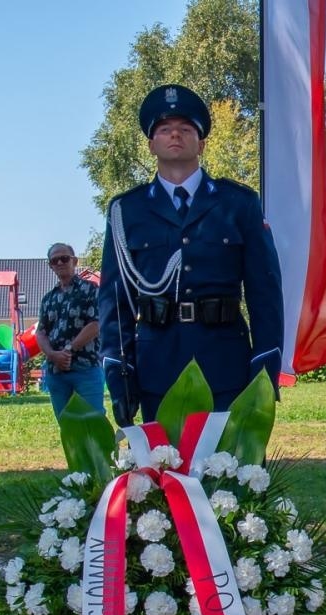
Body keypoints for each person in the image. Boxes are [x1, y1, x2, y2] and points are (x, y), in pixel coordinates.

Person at [97, 84, 283, 425]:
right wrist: (119, 372)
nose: (175, 136)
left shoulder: (238, 204)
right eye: (165, 130)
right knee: (163, 473)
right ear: (152, 143)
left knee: (230, 472)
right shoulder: (127, 210)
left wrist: (265, 366)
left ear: (202, 142)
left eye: (186, 129)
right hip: (157, 365)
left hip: (225, 363)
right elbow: (115, 302)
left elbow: (265, 294)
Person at [35, 242, 104, 420]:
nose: (60, 263)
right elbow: (41, 332)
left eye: (64, 258)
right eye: (54, 260)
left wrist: (69, 350)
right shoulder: (48, 299)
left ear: (74, 261)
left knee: (95, 424)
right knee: (67, 429)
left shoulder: (91, 290)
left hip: (86, 369)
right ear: (50, 266)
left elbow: (96, 324)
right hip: (56, 373)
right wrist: (52, 355)